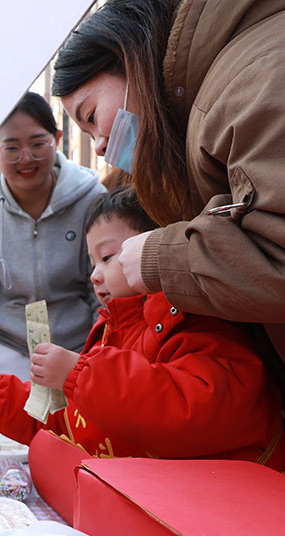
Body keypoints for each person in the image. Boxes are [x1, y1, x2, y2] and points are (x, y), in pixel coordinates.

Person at [0, 186, 284, 522]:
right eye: (91, 261)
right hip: (140, 513)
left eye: (107, 257)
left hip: (216, 520)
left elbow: (195, 407)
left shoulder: (197, 317)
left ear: (157, 244)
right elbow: (71, 421)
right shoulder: (109, 330)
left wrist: (77, 374)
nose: (94, 275)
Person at [51, 0, 285, 373]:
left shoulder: (254, 81)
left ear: (128, 58)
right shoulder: (209, 99)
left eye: (92, 116)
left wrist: (160, 257)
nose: (98, 145)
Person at [0, 92, 105, 383]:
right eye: (12, 148)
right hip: (7, 353)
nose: (26, 159)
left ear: (57, 138)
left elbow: (104, 286)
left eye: (38, 144)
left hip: (78, 350)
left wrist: (99, 354)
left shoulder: (92, 199)